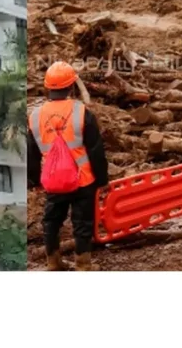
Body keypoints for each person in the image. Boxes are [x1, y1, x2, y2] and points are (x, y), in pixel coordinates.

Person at [28, 61, 109, 271]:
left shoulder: (35, 116)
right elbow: (96, 151)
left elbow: (32, 153)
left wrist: (35, 180)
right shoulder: (81, 112)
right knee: (82, 223)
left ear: (47, 87)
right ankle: (83, 265)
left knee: (51, 221)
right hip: (83, 180)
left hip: (54, 181)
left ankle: (53, 262)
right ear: (71, 86)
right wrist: (102, 180)